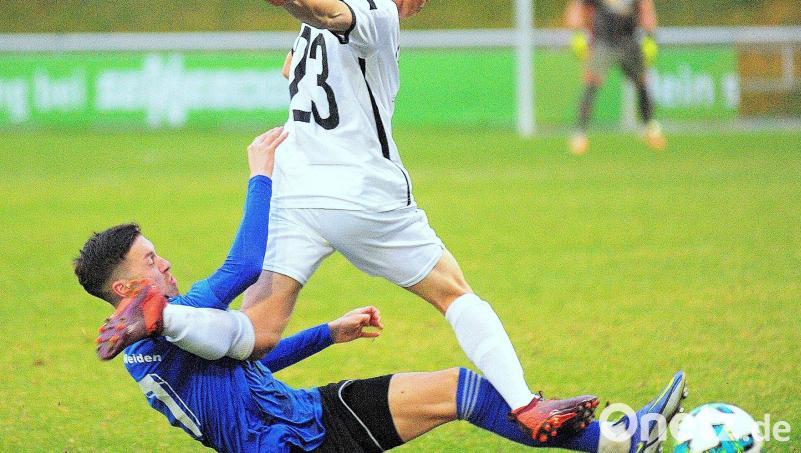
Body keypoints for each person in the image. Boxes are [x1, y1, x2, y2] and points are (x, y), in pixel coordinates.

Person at [76, 129, 687, 453]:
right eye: (152, 261)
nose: (167, 263)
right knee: (463, 392)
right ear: (129, 288)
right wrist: (261, 175)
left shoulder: (148, 342)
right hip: (293, 444)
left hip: (304, 417)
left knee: (462, 389)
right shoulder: (169, 318)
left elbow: (247, 359)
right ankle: (623, 442)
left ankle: (625, 441)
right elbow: (244, 265)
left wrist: (328, 333)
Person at [163, 0, 601, 440]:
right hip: (361, 194)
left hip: (295, 189)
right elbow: (335, 16)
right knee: (453, 292)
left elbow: (291, 64)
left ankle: (161, 322)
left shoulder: (327, 23)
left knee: (257, 333)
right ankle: (525, 404)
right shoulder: (377, 13)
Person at [565, 0, 665, 155]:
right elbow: (579, 7)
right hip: (603, 41)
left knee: (642, 82)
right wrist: (577, 34)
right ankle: (580, 134)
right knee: (591, 82)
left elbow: (645, 8)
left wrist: (650, 36)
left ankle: (650, 128)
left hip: (629, 41)